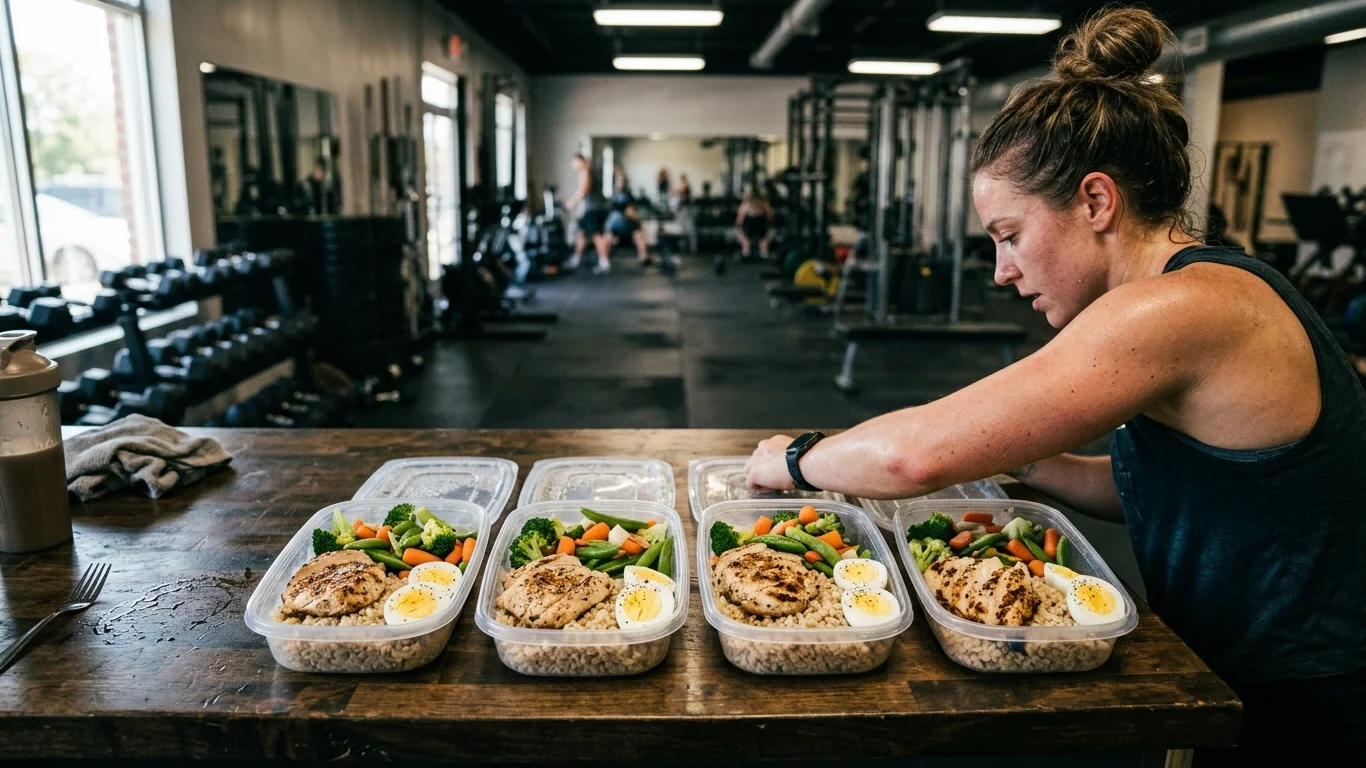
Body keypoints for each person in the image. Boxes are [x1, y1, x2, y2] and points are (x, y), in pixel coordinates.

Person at [743, 7, 1366, 759]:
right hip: (1247, 665)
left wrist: (793, 456)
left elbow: (912, 458)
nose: (1002, 271)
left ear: (1096, 202)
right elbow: (1164, 491)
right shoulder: (1211, 287)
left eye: (1010, 236)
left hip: (1315, 690)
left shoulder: (1178, 306)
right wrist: (1030, 456)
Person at [564, 152, 610, 274]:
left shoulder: (586, 171)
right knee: (581, 233)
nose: (574, 165)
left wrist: (572, 202)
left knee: (597, 236)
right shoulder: (586, 171)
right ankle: (576, 259)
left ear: (582, 161)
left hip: (594, 209)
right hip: (591, 209)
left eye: (575, 162)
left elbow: (583, 190)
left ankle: (604, 263)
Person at [605, 200, 654, 267]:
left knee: (639, 235)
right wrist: (613, 238)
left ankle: (644, 257)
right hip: (618, 239)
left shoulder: (635, 220)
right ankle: (606, 256)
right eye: (630, 210)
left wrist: (635, 220)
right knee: (609, 236)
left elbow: (641, 231)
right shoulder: (616, 218)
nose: (631, 212)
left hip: (631, 239)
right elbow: (608, 230)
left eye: (633, 210)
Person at [735, 191, 774, 260]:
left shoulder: (764, 204)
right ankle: (749, 251)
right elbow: (770, 218)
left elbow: (770, 217)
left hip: (759, 228)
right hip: (751, 228)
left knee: (765, 237)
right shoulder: (745, 206)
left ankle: (759, 252)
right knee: (743, 236)